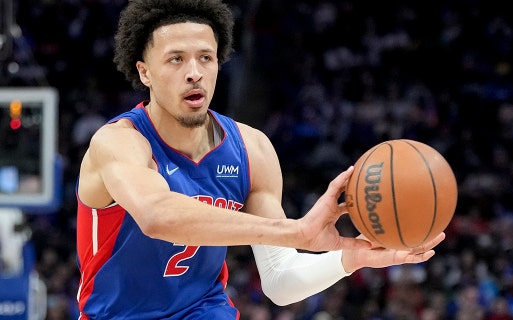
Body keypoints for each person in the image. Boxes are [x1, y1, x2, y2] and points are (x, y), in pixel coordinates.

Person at [75, 0, 446, 319]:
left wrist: (351, 258)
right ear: (145, 72)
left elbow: (280, 280)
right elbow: (157, 215)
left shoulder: (252, 148)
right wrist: (297, 231)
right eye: (176, 59)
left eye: (206, 57)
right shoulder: (119, 142)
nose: (194, 72)